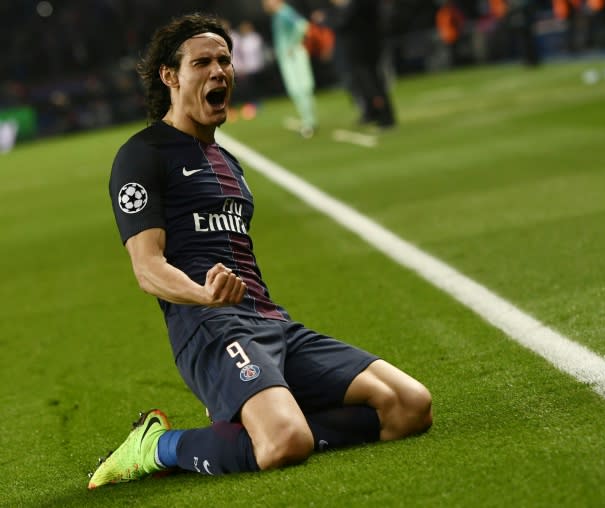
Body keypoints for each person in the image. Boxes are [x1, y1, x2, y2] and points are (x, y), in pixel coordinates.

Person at [88, 12, 432, 489]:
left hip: (271, 322)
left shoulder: (227, 161)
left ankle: (261, 413)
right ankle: (157, 445)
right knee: (284, 444)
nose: (219, 72)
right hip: (208, 329)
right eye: (203, 62)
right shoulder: (142, 155)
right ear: (170, 76)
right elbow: (147, 269)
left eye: (224, 61)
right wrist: (203, 295)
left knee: (409, 407)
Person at [313, 0, 396, 128]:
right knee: (363, 82)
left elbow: (344, 22)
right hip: (361, 48)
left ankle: (385, 117)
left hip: (363, 48)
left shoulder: (359, 5)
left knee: (372, 83)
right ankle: (373, 113)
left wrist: (325, 19)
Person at [262, 0, 317, 138]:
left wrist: (292, 45)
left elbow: (302, 25)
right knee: (298, 88)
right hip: (290, 56)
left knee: (300, 87)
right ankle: (309, 121)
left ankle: (309, 122)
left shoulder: (284, 12)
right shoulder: (279, 14)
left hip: (294, 55)